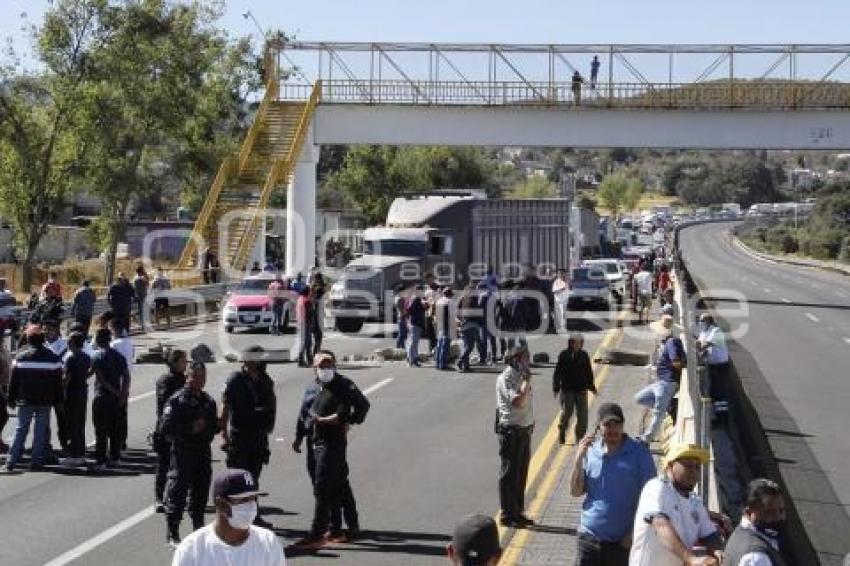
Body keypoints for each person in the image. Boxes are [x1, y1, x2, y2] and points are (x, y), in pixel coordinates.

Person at [570, 403, 656, 566]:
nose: (612, 429)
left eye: (617, 424)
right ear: (599, 428)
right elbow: (575, 492)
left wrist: (632, 534)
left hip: (621, 544)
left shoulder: (639, 453)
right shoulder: (591, 451)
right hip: (588, 538)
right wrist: (578, 459)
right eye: (607, 424)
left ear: (623, 426)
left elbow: (652, 498)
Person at [290, 352, 358, 549]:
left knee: (324, 485)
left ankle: (318, 532)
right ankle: (338, 526)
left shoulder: (342, 386)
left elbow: (360, 407)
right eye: (322, 364)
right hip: (314, 441)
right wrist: (298, 437)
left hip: (332, 443)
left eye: (329, 364)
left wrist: (346, 421)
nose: (326, 368)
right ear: (314, 367)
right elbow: (304, 414)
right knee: (331, 484)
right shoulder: (312, 387)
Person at [629, 443, 727, 566]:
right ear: (670, 465)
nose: (693, 472)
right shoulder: (656, 487)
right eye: (688, 466)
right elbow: (660, 525)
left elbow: (709, 534)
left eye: (697, 467)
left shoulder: (695, 501)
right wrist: (690, 558)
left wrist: (717, 550)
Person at [171, 468, 286, 565]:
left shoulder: (268, 542)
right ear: (220, 504)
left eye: (253, 499)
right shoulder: (192, 549)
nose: (251, 506)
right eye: (243, 500)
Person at [162, 361, 219, 546]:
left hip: (203, 451)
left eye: (203, 377)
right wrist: (189, 428)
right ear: (187, 376)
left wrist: (217, 425)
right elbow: (165, 428)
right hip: (183, 452)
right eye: (195, 376)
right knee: (178, 491)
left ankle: (198, 530)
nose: (199, 380)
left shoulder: (208, 401)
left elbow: (213, 426)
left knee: (201, 493)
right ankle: (173, 533)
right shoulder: (177, 400)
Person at [220, 346, 276, 528]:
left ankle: (253, 516)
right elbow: (225, 408)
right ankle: (232, 518)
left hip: (258, 438)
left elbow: (272, 403)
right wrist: (225, 436)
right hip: (239, 437)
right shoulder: (235, 380)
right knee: (238, 480)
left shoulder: (265, 380)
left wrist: (270, 426)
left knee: (253, 478)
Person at [4, 325, 63, 471]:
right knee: (40, 431)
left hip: (25, 401)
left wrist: (10, 399)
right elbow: (58, 384)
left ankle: (11, 461)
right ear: (43, 340)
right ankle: (36, 461)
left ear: (29, 340)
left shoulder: (20, 358)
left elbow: (13, 382)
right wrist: (58, 401)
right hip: (45, 401)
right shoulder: (54, 358)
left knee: (20, 430)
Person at [496, 345, 535, 528]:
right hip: (511, 431)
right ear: (515, 360)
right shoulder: (507, 378)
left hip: (524, 430)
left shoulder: (520, 377)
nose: (528, 362)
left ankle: (517, 512)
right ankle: (507, 513)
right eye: (525, 359)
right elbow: (517, 402)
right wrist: (526, 382)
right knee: (509, 474)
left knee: (521, 473)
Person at [90, 328, 130, 468]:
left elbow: (100, 379)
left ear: (98, 340)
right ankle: (115, 457)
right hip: (117, 399)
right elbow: (126, 377)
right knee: (115, 430)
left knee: (101, 431)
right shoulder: (119, 357)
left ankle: (101, 461)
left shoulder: (97, 356)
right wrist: (123, 394)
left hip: (102, 398)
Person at [154, 349, 189, 511]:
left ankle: (176, 495)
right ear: (174, 362)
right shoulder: (166, 380)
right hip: (167, 429)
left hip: (183, 429)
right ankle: (159, 497)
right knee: (164, 465)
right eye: (183, 360)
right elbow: (165, 406)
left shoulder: (185, 379)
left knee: (182, 465)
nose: (186, 363)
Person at [635, 331, 684, 443]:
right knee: (640, 398)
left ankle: (646, 439)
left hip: (667, 383)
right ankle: (670, 406)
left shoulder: (671, 342)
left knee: (658, 412)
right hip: (660, 382)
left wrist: (679, 376)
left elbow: (676, 361)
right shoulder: (666, 345)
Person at [724, 478, 787, 566]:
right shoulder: (756, 558)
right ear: (748, 512)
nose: (779, 517)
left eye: (781, 510)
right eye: (769, 512)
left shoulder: (742, 533)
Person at [553, 333, 596, 445]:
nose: (580, 345)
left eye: (581, 342)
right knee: (567, 412)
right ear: (571, 343)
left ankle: (579, 438)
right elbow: (558, 372)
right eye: (578, 342)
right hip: (567, 390)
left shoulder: (584, 355)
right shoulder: (564, 355)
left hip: (581, 390)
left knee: (583, 416)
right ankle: (562, 430)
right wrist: (556, 387)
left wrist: (591, 386)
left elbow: (588, 372)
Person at [60, 332, 92, 466]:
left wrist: (60, 391)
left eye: (69, 341)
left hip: (72, 393)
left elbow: (66, 378)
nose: (67, 343)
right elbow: (90, 371)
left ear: (73, 343)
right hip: (82, 391)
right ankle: (81, 453)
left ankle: (75, 455)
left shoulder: (70, 358)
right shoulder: (86, 356)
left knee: (72, 424)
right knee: (80, 423)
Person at [696, 314, 730, 426]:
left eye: (701, 321)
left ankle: (723, 420)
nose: (700, 323)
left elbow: (705, 345)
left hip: (720, 366)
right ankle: (718, 417)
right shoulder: (704, 332)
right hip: (711, 366)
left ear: (708, 321)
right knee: (714, 392)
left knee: (720, 393)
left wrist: (697, 348)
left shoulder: (716, 331)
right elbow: (703, 349)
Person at [110, 318, 134, 452]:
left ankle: (116, 441)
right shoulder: (130, 342)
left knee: (114, 414)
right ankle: (122, 440)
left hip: (115, 382)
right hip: (126, 381)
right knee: (123, 413)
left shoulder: (115, 344)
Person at [434, 288, 454, 370]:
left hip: (439, 325)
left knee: (439, 345)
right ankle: (443, 365)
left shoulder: (439, 301)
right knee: (445, 346)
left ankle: (437, 363)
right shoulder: (449, 301)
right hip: (447, 325)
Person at [405, 288, 425, 367]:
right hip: (416, 322)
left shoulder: (414, 298)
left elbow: (409, 309)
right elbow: (409, 309)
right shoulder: (416, 299)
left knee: (414, 342)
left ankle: (414, 358)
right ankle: (411, 360)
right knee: (413, 342)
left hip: (414, 322)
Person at [295, 287, 313, 367]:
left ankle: (308, 359)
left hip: (300, 323)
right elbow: (309, 314)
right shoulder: (306, 301)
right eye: (310, 291)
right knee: (306, 343)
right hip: (306, 324)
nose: (311, 293)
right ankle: (302, 360)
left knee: (305, 343)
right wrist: (311, 323)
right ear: (307, 292)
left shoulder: (299, 299)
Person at [310, 276, 326, 357]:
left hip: (315, 318)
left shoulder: (313, 291)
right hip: (316, 318)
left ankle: (315, 353)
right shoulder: (317, 292)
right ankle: (315, 354)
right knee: (318, 337)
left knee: (317, 337)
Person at [0, 336, 10, 454]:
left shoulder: (4, 349)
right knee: (3, 415)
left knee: (3, 415)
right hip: (1, 387)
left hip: (4, 386)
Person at [393, 284, 408, 349]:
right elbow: (401, 309)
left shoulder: (399, 298)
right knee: (402, 334)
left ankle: (402, 347)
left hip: (401, 316)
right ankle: (398, 347)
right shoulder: (399, 298)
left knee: (403, 333)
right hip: (402, 317)